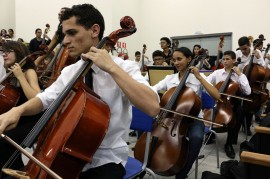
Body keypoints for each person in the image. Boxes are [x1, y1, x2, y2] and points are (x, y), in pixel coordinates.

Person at [0, 4, 160, 179]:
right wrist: (17, 110)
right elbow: (45, 98)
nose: (65, 41)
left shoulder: (124, 68)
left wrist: (112, 68)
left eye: (72, 33)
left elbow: (152, 107)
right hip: (65, 153)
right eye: (64, 35)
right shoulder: (70, 71)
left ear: (94, 30)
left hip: (107, 160)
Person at [153, 47, 220, 179]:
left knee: (196, 138)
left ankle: (182, 173)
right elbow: (153, 89)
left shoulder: (197, 78)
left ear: (189, 59)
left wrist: (200, 77)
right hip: (171, 118)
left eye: (179, 59)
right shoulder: (169, 78)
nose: (176, 63)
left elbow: (216, 95)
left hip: (193, 118)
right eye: (174, 60)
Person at [0, 41, 43, 171]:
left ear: (18, 53)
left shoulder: (29, 71)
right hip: (17, 118)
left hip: (32, 120)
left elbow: (36, 98)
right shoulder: (8, 74)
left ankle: (13, 172)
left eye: (8, 51)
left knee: (3, 140)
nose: (4, 54)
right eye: (3, 52)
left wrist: (20, 76)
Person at [206, 50, 251, 159]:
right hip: (218, 101)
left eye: (228, 59)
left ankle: (229, 143)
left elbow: (248, 91)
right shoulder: (217, 73)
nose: (225, 61)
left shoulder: (239, 75)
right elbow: (206, 83)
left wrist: (240, 74)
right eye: (224, 59)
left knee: (240, 111)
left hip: (232, 103)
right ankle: (211, 133)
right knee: (211, 109)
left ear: (234, 60)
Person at [236, 36, 265, 136]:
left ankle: (247, 126)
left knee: (250, 106)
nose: (243, 51)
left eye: (245, 48)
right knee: (238, 106)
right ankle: (237, 125)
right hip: (240, 83)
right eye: (241, 49)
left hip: (252, 84)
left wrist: (258, 58)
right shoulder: (237, 54)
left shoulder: (257, 52)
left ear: (249, 45)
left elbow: (264, 67)